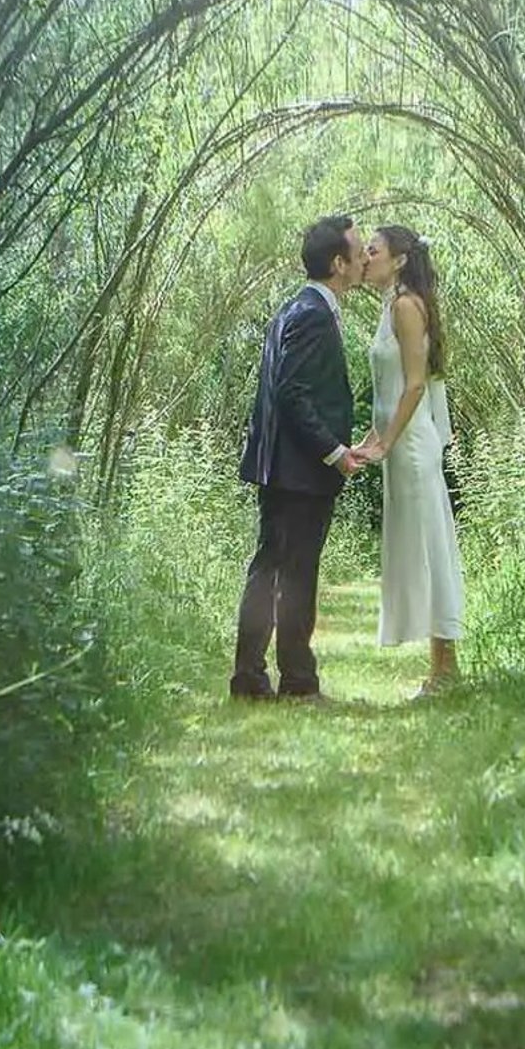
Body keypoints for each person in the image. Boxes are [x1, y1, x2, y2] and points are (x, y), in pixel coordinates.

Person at [230, 214, 371, 701]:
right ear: (338, 263)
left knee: (272, 569)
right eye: (357, 251)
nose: (363, 259)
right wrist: (333, 452)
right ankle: (295, 682)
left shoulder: (296, 307)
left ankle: (252, 678)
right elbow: (292, 393)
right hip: (298, 471)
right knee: (291, 574)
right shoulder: (312, 313)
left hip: (282, 467)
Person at [355, 223, 464, 695]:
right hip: (400, 444)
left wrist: (387, 441)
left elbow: (416, 385)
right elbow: (390, 390)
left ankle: (446, 670)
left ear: (398, 260)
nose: (365, 258)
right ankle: (441, 669)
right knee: (418, 548)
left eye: (373, 251)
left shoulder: (404, 306)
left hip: (414, 447)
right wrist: (372, 437)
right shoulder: (391, 305)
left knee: (429, 548)